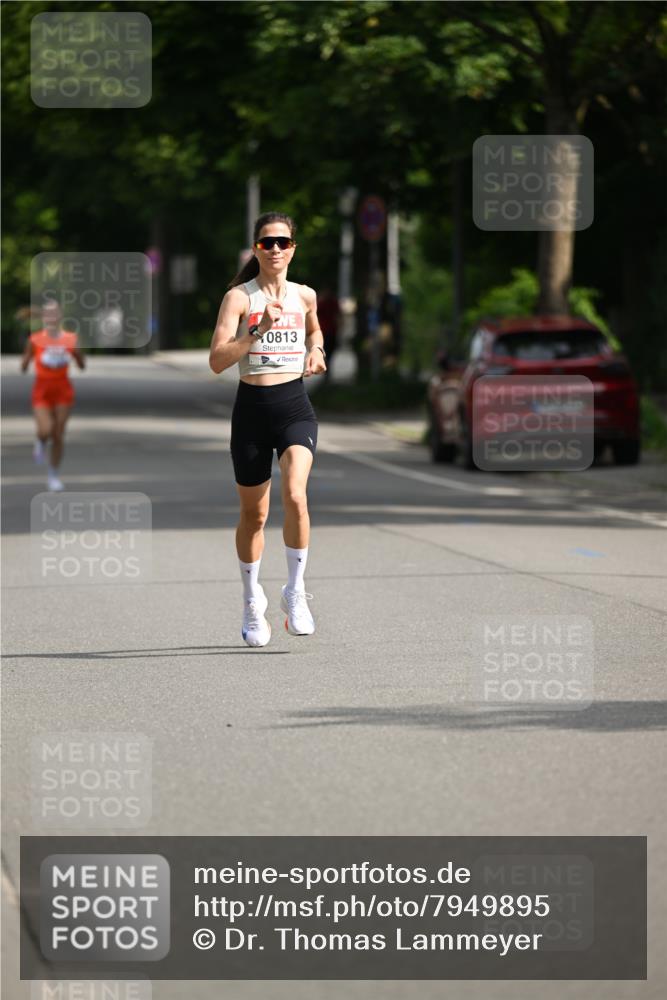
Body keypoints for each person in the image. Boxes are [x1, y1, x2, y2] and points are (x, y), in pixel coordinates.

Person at [209, 212, 327, 647]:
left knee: (296, 494)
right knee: (253, 515)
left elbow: (315, 332)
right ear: (256, 249)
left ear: (293, 248)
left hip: (294, 407)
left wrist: (317, 351)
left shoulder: (305, 296)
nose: (275, 249)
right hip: (252, 414)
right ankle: (250, 599)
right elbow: (218, 360)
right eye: (266, 243)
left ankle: (295, 591)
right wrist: (257, 331)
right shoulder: (238, 299)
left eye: (282, 242)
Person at [20, 300, 85, 492]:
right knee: (46, 430)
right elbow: (24, 365)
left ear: (60, 317)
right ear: (44, 317)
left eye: (55, 313)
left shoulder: (70, 338)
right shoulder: (35, 339)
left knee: (58, 434)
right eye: (48, 313)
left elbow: (81, 364)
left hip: (63, 389)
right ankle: (40, 441)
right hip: (42, 389)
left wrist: (75, 354)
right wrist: (26, 361)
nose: (51, 317)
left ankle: (53, 476)